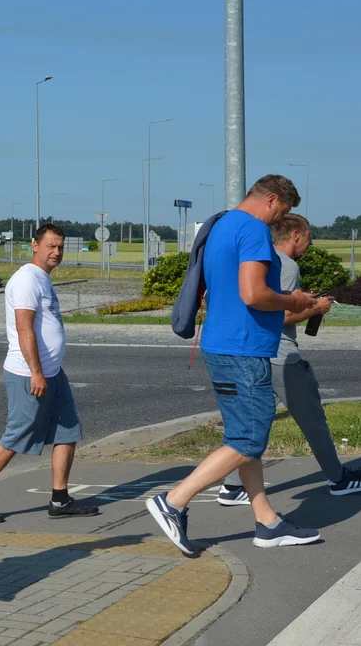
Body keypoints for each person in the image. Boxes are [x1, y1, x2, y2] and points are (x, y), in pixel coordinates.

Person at [147, 175, 320, 554]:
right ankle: (173, 501)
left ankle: (268, 522)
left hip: (222, 345)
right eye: (284, 212)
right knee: (248, 438)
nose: (280, 220)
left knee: (244, 438)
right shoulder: (254, 231)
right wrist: (294, 301)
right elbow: (254, 293)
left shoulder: (222, 224)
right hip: (244, 349)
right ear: (272, 200)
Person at [0, 223, 100, 524]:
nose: (56, 252)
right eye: (51, 246)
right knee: (17, 435)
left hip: (53, 373)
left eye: (61, 247)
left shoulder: (43, 279)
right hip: (29, 373)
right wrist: (37, 373)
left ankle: (60, 499)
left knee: (67, 432)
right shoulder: (26, 280)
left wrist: (50, 370)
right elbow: (25, 330)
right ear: (34, 245)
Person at [217, 214, 358, 505]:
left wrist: (301, 301)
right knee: (313, 419)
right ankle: (339, 479)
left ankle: (232, 487)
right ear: (295, 235)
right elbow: (279, 316)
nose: (310, 243)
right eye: (309, 237)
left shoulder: (260, 261)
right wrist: (314, 308)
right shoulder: (286, 265)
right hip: (281, 355)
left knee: (255, 423)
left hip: (255, 353)